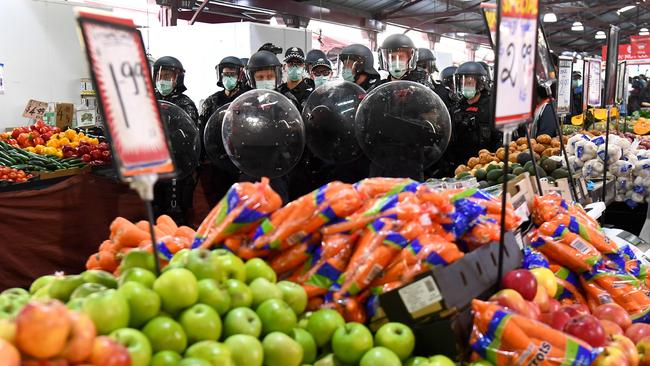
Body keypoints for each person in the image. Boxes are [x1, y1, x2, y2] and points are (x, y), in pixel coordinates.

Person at [447, 61, 500, 169]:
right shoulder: (455, 107)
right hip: (460, 164)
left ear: (480, 84)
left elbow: (498, 138)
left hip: (486, 163)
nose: (465, 87)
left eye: (469, 83)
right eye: (462, 84)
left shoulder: (492, 106)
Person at [199, 56, 250, 133]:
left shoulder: (246, 97)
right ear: (221, 75)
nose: (229, 77)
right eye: (226, 74)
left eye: (232, 74)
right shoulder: (212, 100)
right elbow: (203, 128)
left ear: (240, 76)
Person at [153, 56, 198, 124]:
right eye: (159, 76)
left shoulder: (185, 104)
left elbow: (189, 131)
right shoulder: (149, 99)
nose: (161, 80)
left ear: (177, 79)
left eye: (167, 76)